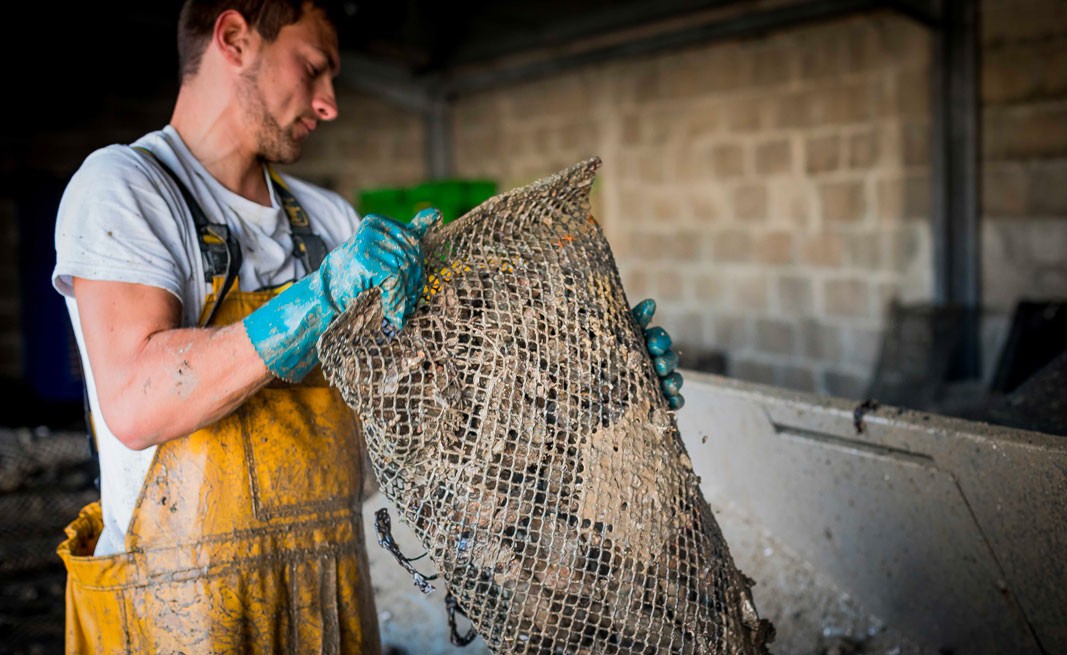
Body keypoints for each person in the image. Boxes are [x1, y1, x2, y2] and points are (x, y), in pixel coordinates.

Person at [52, 1, 683, 652]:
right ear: (235, 38)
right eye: (314, 68)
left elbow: (432, 411)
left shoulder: (328, 221)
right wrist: (321, 297)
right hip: (177, 609)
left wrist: (594, 381)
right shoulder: (127, 186)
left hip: (329, 594)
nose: (329, 104)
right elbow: (136, 396)